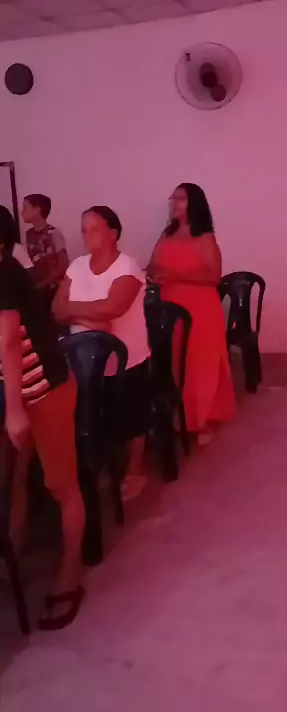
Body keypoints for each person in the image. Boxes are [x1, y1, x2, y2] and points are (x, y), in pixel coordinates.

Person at [0, 206, 85, 630]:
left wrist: (15, 411)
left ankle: (70, 571)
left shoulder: (4, 273)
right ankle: (12, 554)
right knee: (13, 477)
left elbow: (8, 343)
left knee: (61, 485)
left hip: (45, 392)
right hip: (18, 391)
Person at [53, 206, 150, 500]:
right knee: (92, 414)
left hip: (125, 359)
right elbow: (56, 308)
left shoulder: (127, 268)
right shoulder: (77, 266)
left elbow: (113, 308)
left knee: (131, 416)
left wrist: (74, 311)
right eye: (84, 230)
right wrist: (92, 321)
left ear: (113, 233)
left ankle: (135, 469)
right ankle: (103, 462)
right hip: (82, 361)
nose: (86, 235)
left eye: (93, 229)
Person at [148, 183, 235, 445]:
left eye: (181, 199)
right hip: (168, 305)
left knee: (199, 362)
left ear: (194, 203)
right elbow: (153, 263)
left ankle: (202, 419)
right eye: (173, 198)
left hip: (200, 308)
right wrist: (154, 273)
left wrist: (176, 276)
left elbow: (213, 275)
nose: (174, 203)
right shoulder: (167, 234)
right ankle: (177, 417)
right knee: (173, 361)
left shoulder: (205, 237)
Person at [22, 194, 69, 303]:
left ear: (37, 209)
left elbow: (63, 265)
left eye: (25, 208)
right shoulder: (29, 234)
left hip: (53, 290)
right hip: (37, 289)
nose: (22, 212)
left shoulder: (54, 233)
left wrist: (45, 282)